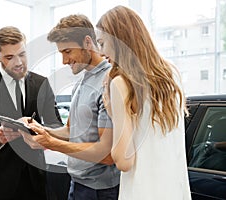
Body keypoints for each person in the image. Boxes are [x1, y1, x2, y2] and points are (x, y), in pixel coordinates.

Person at [95, 5, 191, 200]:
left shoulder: (122, 83)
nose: (101, 52)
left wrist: (113, 112)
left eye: (102, 43)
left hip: (141, 192)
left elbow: (124, 161)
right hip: (175, 190)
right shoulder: (172, 74)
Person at [21, 14, 120, 200]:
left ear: (88, 42)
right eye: (61, 54)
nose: (64, 61)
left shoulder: (109, 82)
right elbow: (70, 131)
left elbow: (107, 155)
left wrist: (51, 144)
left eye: (67, 51)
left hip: (100, 191)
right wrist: (42, 130)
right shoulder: (81, 82)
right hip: (77, 183)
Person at [0, 26, 62, 200]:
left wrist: (41, 131)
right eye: (9, 57)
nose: (19, 63)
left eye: (22, 54)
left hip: (36, 183)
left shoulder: (41, 83)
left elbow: (56, 125)